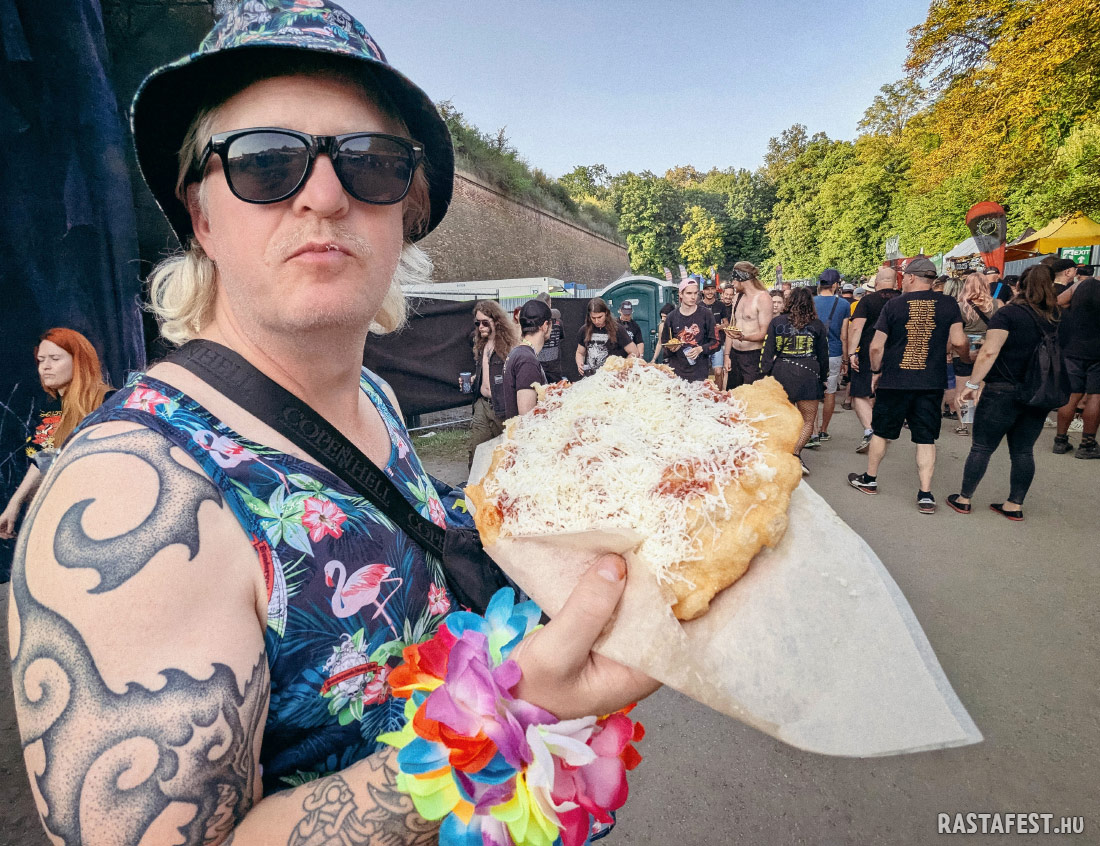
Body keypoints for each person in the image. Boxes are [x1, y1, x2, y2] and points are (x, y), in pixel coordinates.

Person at [9, 5, 658, 844]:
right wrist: (499, 718)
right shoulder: (136, 496)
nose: (323, 195)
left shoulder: (374, 398)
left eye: (371, 163)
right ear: (200, 215)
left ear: (404, 211)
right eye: (265, 162)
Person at [847, 256, 967, 514]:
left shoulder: (894, 305)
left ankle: (870, 479)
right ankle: (925, 494)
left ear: (911, 277)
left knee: (881, 432)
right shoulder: (948, 304)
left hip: (895, 381)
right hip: (930, 382)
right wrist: (967, 359)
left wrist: (876, 371)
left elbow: (876, 346)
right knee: (926, 438)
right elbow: (959, 341)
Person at [947, 265, 1064, 518]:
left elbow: (990, 351)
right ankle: (1014, 504)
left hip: (1003, 388)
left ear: (1019, 285)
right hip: (1038, 391)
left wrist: (972, 384)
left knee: (982, 447)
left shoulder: (1009, 313)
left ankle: (964, 498)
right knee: (1023, 450)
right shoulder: (1056, 316)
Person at [0, 328, 113, 538]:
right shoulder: (52, 409)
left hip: (97, 515)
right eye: (41, 360)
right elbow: (42, 458)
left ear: (79, 362)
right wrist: (15, 503)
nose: (45, 367)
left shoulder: (107, 402)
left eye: (55, 358)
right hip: (59, 516)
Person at [759, 287, 829, 476]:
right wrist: (824, 378)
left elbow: (767, 352)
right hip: (808, 375)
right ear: (810, 304)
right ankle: (795, 453)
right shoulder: (817, 325)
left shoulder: (777, 322)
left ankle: (780, 455)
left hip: (782, 373)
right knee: (808, 420)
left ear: (789, 302)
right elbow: (823, 356)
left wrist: (765, 375)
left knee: (781, 418)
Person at [847, 267, 899, 454]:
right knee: (884, 393)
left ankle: (871, 431)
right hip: (898, 354)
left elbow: (856, 328)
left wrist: (851, 353)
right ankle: (881, 429)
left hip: (870, 352)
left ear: (876, 283)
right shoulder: (903, 300)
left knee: (860, 394)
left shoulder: (867, 301)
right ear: (896, 283)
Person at [1053, 263, 1100, 458]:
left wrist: (1073, 312)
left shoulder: (1082, 285)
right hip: (1097, 350)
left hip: (1074, 347)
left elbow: (1058, 301)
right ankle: (1087, 445)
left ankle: (1060, 440)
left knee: (1071, 394)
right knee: (1095, 395)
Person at [467, 299, 515, 467]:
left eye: (485, 322)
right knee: (476, 451)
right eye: (478, 323)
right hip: (482, 404)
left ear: (496, 321)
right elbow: (486, 371)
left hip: (502, 407)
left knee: (506, 453)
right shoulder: (481, 344)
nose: (481, 327)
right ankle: (474, 482)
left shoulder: (510, 346)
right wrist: (475, 379)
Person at [951, 273, 1001, 433]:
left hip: (963, 350)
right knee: (982, 389)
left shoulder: (959, 306)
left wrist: (948, 351)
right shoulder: (997, 304)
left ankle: (963, 425)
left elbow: (954, 333)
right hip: (988, 349)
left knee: (961, 390)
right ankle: (981, 424)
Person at [810, 269, 848, 445]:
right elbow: (844, 335)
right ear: (835, 285)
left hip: (812, 352)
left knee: (812, 393)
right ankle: (824, 430)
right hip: (833, 352)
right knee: (830, 391)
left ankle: (812, 431)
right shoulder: (843, 304)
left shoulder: (811, 302)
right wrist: (845, 359)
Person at [724, 261, 772, 387]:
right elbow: (731, 327)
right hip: (735, 355)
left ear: (742, 278)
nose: (733, 283)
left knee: (751, 395)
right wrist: (727, 355)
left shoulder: (763, 298)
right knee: (733, 394)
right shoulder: (737, 297)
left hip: (753, 356)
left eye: (734, 279)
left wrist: (743, 337)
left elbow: (764, 333)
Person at [502, 299, 551, 420]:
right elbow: (527, 416)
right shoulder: (527, 360)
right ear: (545, 326)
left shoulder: (518, 353)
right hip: (526, 431)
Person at [663, 277, 718, 382]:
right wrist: (671, 348)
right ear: (680, 294)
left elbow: (716, 342)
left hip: (699, 371)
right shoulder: (671, 317)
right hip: (677, 372)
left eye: (695, 293)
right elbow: (664, 343)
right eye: (689, 293)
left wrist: (701, 349)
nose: (693, 297)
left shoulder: (706, 314)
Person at [576, 296, 636, 376]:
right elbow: (580, 352)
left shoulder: (618, 329)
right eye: (593, 318)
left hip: (611, 377)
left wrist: (623, 367)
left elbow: (634, 352)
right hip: (591, 377)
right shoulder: (584, 330)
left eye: (600, 317)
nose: (596, 321)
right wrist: (580, 364)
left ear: (606, 313)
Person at [701, 278, 730, 387]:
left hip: (717, 343)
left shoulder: (720, 305)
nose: (710, 292)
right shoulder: (698, 306)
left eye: (712, 289)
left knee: (718, 372)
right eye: (707, 289)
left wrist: (719, 327)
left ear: (715, 290)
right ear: (703, 291)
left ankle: (719, 393)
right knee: (702, 374)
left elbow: (726, 323)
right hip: (703, 344)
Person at [534, 291, 564, 382]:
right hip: (544, 367)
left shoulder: (558, 323)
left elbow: (560, 338)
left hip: (550, 367)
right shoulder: (558, 322)